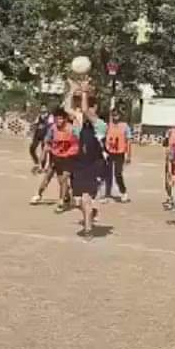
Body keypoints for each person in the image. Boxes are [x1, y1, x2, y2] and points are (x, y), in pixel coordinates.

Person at [63, 78, 106, 236]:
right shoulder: (80, 125)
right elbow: (68, 108)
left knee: (86, 198)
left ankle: (88, 230)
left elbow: (85, 110)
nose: (88, 110)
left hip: (93, 166)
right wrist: (71, 90)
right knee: (78, 201)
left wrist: (85, 91)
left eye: (91, 108)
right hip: (78, 165)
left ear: (96, 109)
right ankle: (90, 213)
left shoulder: (100, 125)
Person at [30, 108, 76, 210]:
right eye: (57, 119)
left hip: (68, 158)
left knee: (63, 179)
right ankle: (39, 194)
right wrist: (39, 163)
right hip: (55, 158)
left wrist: (70, 155)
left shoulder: (72, 129)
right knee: (48, 177)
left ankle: (61, 201)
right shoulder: (52, 129)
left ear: (65, 119)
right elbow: (46, 146)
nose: (59, 121)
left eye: (61, 119)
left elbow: (76, 145)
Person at [103, 108, 133, 203]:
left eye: (116, 115)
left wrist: (129, 155)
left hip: (120, 153)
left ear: (120, 116)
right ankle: (107, 194)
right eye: (113, 115)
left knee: (118, 174)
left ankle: (123, 192)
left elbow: (128, 141)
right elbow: (104, 138)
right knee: (108, 174)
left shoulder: (125, 126)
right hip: (110, 153)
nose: (115, 117)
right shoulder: (108, 126)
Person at [28, 106, 53, 174]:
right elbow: (35, 124)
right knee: (32, 148)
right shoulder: (39, 116)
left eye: (44, 108)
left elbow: (50, 126)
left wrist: (48, 136)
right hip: (37, 135)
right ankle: (36, 162)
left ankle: (42, 167)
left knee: (43, 151)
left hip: (45, 135)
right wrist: (31, 132)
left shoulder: (50, 116)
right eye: (42, 108)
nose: (43, 109)